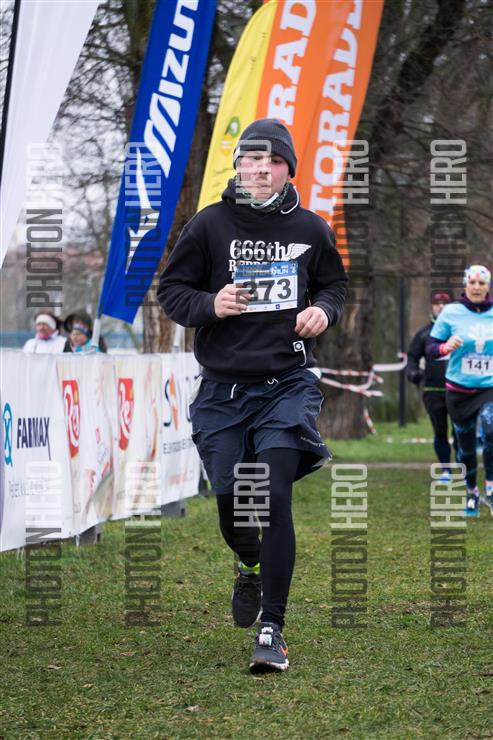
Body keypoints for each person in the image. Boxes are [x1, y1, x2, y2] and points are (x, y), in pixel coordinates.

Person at [158, 118, 347, 673]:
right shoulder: (209, 225)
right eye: (251, 159)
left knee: (273, 494)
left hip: (286, 384)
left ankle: (272, 629)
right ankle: (248, 563)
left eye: (273, 161)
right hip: (222, 390)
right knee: (234, 507)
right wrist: (210, 305)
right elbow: (172, 290)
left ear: (289, 169)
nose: (261, 169)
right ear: (239, 166)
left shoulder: (311, 228)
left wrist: (324, 310)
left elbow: (334, 285)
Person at [426, 265, 493, 516]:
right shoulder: (452, 312)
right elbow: (430, 348)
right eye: (472, 282)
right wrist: (445, 348)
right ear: (465, 285)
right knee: (465, 447)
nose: (476, 287)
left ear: (488, 287)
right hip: (459, 390)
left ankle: (491, 487)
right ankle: (471, 492)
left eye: (482, 283)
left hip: (489, 387)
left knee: (491, 430)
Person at [406, 290, 457, 480]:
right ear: (432, 307)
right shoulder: (424, 334)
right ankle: (446, 471)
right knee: (440, 431)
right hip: (433, 391)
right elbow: (412, 357)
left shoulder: (460, 331)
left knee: (461, 431)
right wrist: (413, 373)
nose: (441, 307)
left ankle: (465, 468)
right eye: (437, 304)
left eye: (445, 304)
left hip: (459, 390)